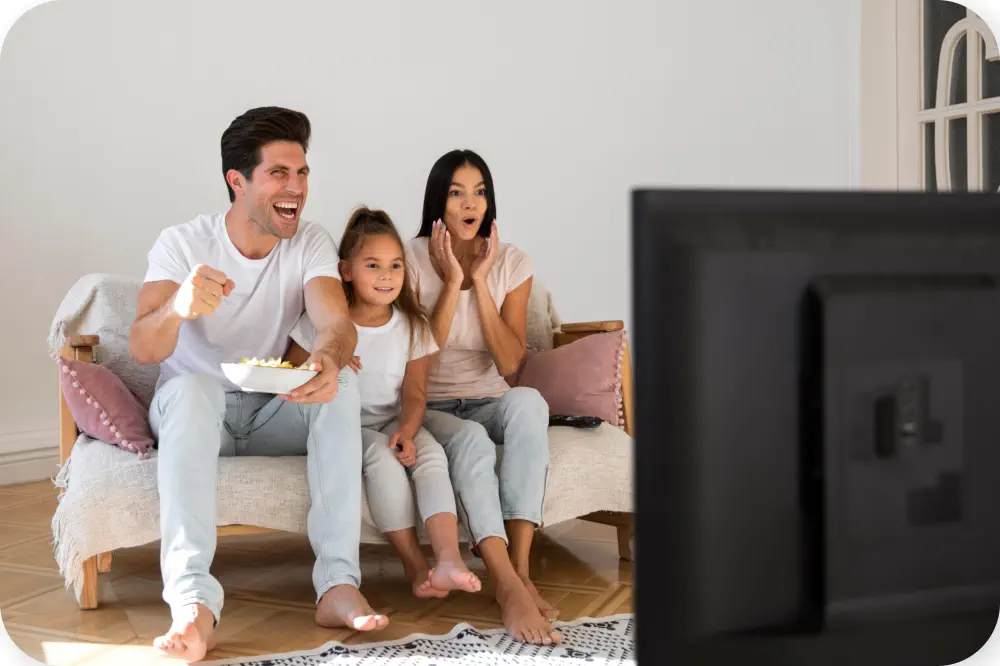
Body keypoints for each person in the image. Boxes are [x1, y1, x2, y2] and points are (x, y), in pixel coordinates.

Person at [129, 107, 387, 664]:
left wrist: (328, 357)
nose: (296, 188)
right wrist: (177, 307)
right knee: (192, 389)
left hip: (270, 409)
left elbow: (337, 324)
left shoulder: (310, 242)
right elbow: (143, 347)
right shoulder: (182, 243)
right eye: (279, 173)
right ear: (237, 181)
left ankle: (337, 585)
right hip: (196, 414)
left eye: (302, 173)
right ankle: (193, 605)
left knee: (341, 385)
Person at [287, 206, 482, 601]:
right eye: (373, 265)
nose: (387, 276)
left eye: (395, 266)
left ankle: (449, 558)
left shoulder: (411, 325)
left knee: (431, 455)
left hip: (393, 419)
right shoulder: (325, 323)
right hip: (345, 429)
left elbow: (415, 393)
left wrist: (407, 431)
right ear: (345, 271)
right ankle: (414, 564)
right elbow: (291, 370)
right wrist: (331, 358)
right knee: (381, 455)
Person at [405, 149, 559, 645]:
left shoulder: (511, 261)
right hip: (430, 403)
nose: (470, 204)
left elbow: (510, 362)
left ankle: (518, 573)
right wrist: (453, 281)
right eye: (456, 193)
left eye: (479, 192)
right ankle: (508, 584)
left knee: (530, 402)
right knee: (469, 435)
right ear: (438, 201)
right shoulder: (410, 258)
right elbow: (420, 358)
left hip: (489, 395)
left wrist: (482, 283)